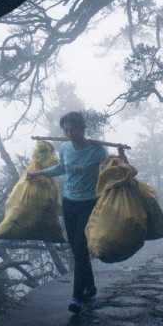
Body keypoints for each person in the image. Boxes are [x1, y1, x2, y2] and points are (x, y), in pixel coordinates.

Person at [26, 111, 124, 314]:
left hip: (88, 204)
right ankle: (91, 286)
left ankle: (76, 297)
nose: (69, 133)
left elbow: (110, 167)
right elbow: (62, 167)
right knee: (77, 249)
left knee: (80, 248)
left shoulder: (97, 150)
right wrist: (40, 173)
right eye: (66, 129)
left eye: (73, 129)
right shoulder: (65, 148)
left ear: (82, 128)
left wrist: (121, 157)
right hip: (69, 203)